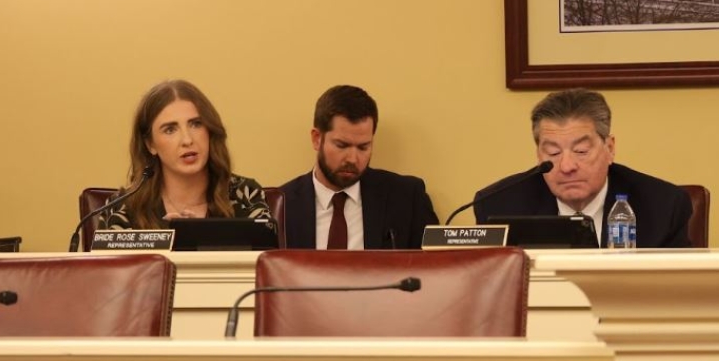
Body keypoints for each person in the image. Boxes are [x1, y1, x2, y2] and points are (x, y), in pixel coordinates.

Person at [473, 88, 692, 248]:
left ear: (610, 148)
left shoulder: (663, 206)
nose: (567, 166)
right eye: (553, 153)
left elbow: (679, 294)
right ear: (538, 155)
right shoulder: (498, 206)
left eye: (581, 151)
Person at [281, 85, 437, 249]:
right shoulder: (281, 205)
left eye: (363, 147)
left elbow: (436, 268)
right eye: (342, 145)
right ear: (317, 139)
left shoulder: (407, 199)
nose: (353, 159)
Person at [103, 79, 269, 229]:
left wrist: (201, 238)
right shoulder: (123, 208)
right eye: (170, 129)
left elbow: (264, 260)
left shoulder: (245, 195)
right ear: (150, 144)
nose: (187, 140)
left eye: (196, 124)